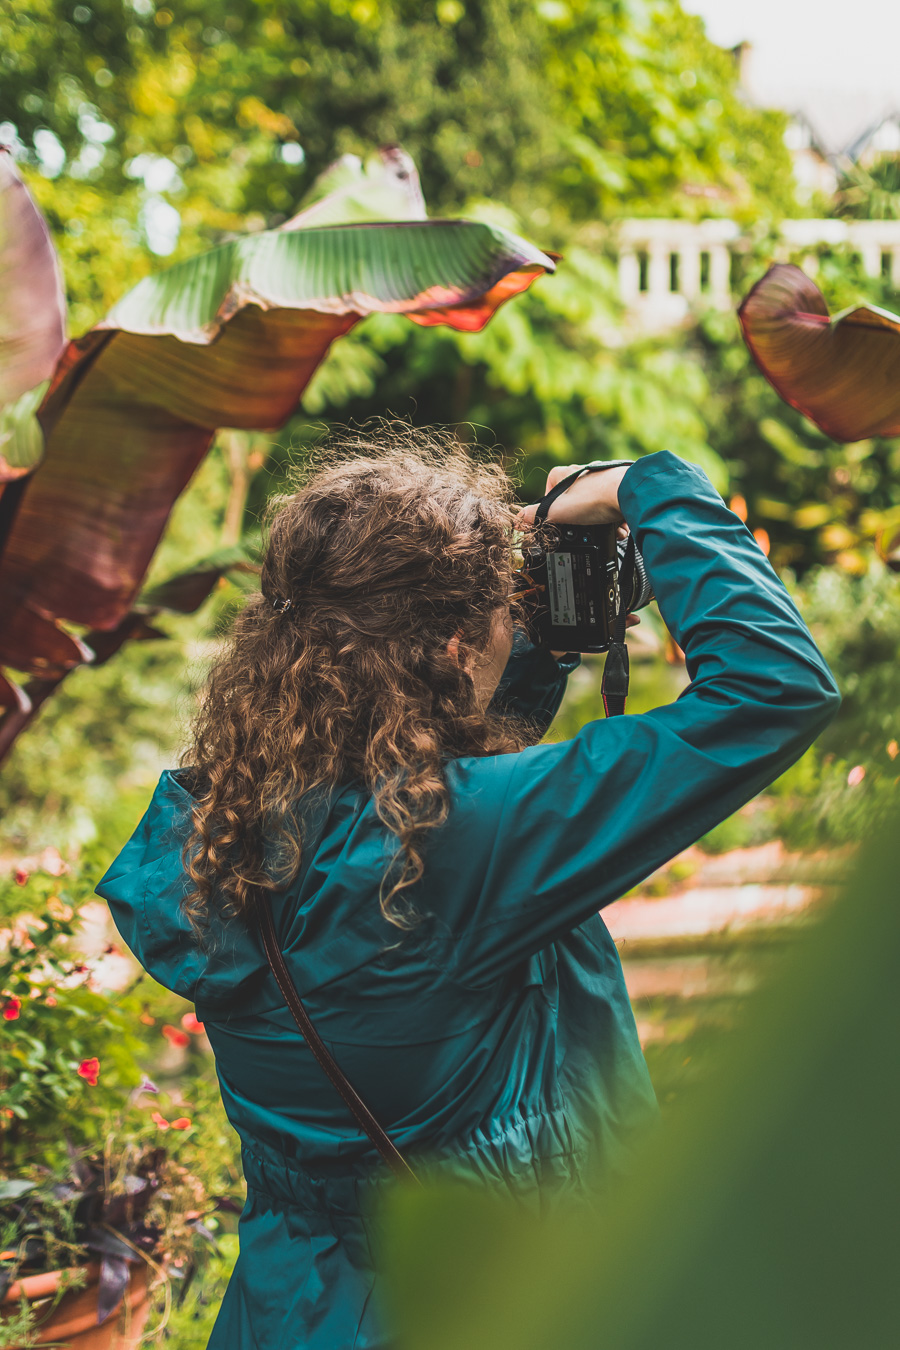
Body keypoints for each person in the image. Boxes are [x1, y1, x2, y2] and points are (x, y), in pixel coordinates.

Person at [97, 426, 840, 1349]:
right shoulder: (465, 841)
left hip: (294, 1301)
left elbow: (411, 792)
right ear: (453, 648)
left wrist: (535, 652)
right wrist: (655, 488)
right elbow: (776, 688)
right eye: (498, 615)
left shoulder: (211, 829)